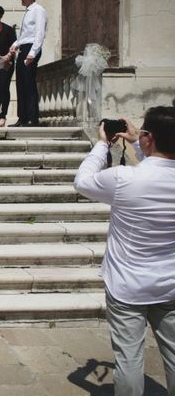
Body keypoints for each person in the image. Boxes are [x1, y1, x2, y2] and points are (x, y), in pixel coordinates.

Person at [74, 106, 175, 396]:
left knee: (129, 359)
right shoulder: (136, 172)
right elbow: (159, 166)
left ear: (149, 137)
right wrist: (138, 143)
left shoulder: (124, 178)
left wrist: (102, 143)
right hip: (169, 283)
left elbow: (82, 181)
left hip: (127, 284)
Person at [8, 0, 47, 127]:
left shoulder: (38, 10)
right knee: (21, 84)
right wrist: (16, 44)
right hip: (24, 48)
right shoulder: (28, 12)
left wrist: (32, 52)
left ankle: (32, 118)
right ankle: (22, 117)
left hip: (31, 49)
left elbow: (39, 33)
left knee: (29, 84)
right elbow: (25, 34)